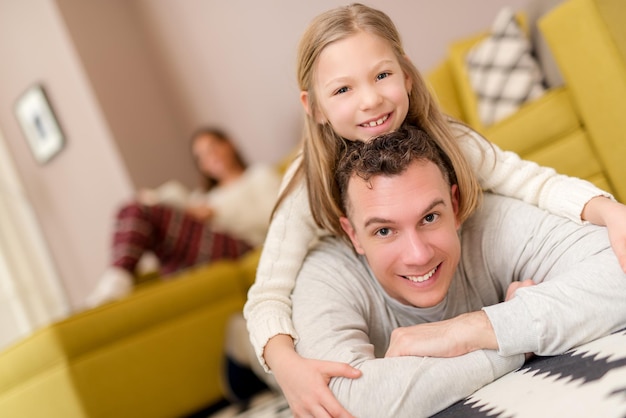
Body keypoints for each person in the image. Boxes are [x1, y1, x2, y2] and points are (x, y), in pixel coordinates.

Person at [242, 3, 626, 417]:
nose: (370, 100)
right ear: (313, 105)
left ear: (406, 74)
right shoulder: (306, 186)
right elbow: (269, 293)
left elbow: (530, 182)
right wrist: (285, 365)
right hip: (341, 304)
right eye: (342, 89)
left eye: (382, 75)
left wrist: (607, 211)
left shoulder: (452, 141)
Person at [289, 126, 626, 417]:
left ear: (454, 205)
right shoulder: (325, 274)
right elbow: (351, 405)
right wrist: (515, 346)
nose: (418, 255)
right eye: (384, 231)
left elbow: (617, 269)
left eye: (430, 218)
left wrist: (471, 329)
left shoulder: (488, 221)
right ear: (352, 235)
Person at [86, 127, 282, 308]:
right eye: (201, 156)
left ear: (229, 143)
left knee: (143, 211)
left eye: (213, 147)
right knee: (133, 208)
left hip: (242, 246)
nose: (210, 157)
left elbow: (275, 218)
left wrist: (216, 212)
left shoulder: (258, 176)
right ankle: (119, 275)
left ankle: (118, 276)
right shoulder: (203, 197)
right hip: (198, 251)